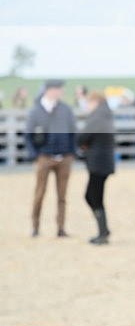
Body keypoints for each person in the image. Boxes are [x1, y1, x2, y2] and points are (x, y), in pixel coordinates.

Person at [25, 79, 78, 238]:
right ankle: (35, 226)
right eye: (57, 89)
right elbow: (28, 135)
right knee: (40, 193)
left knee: (62, 195)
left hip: (64, 157)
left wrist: (72, 152)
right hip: (45, 157)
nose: (60, 92)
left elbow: (73, 132)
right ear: (48, 90)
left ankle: (61, 227)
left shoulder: (65, 109)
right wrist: (35, 154)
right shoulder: (35, 111)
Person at [77, 91, 116, 244]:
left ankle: (103, 233)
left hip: (98, 162)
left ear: (95, 102)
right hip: (102, 162)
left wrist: (82, 143)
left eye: (88, 102)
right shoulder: (105, 115)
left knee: (93, 196)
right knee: (93, 195)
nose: (87, 106)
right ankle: (103, 230)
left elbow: (82, 136)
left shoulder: (98, 117)